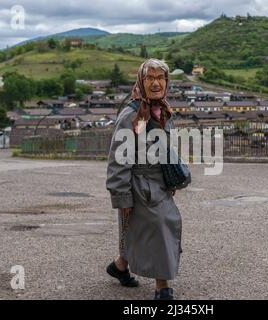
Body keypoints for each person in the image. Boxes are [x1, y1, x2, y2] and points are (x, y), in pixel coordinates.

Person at [105, 59, 183, 300]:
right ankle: (163, 288)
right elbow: (118, 160)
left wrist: (171, 179)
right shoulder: (132, 115)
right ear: (141, 81)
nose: (156, 83)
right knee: (161, 229)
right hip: (139, 186)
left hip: (159, 185)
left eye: (161, 78)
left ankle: (119, 266)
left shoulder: (163, 111)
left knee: (141, 231)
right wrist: (122, 196)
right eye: (150, 78)